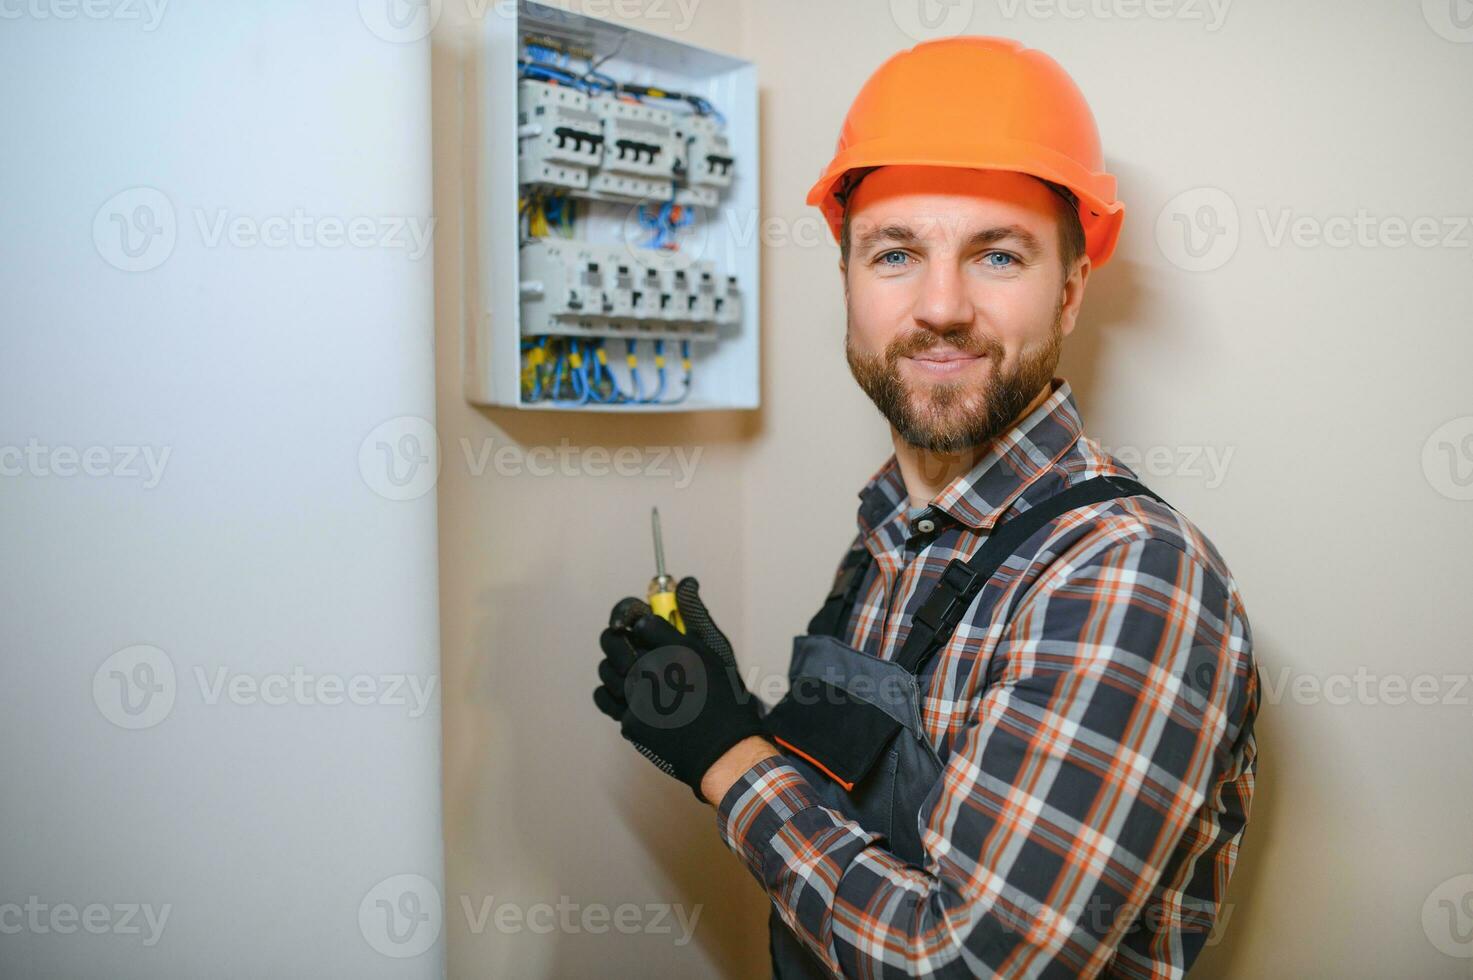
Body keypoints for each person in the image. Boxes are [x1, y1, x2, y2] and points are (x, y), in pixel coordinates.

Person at [593, 36, 1259, 978]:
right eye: (895, 251)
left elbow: (960, 965)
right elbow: (848, 829)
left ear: (1070, 291)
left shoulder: (1126, 575)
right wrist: (734, 713)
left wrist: (724, 757)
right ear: (847, 282)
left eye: (996, 254)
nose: (939, 306)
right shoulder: (886, 535)